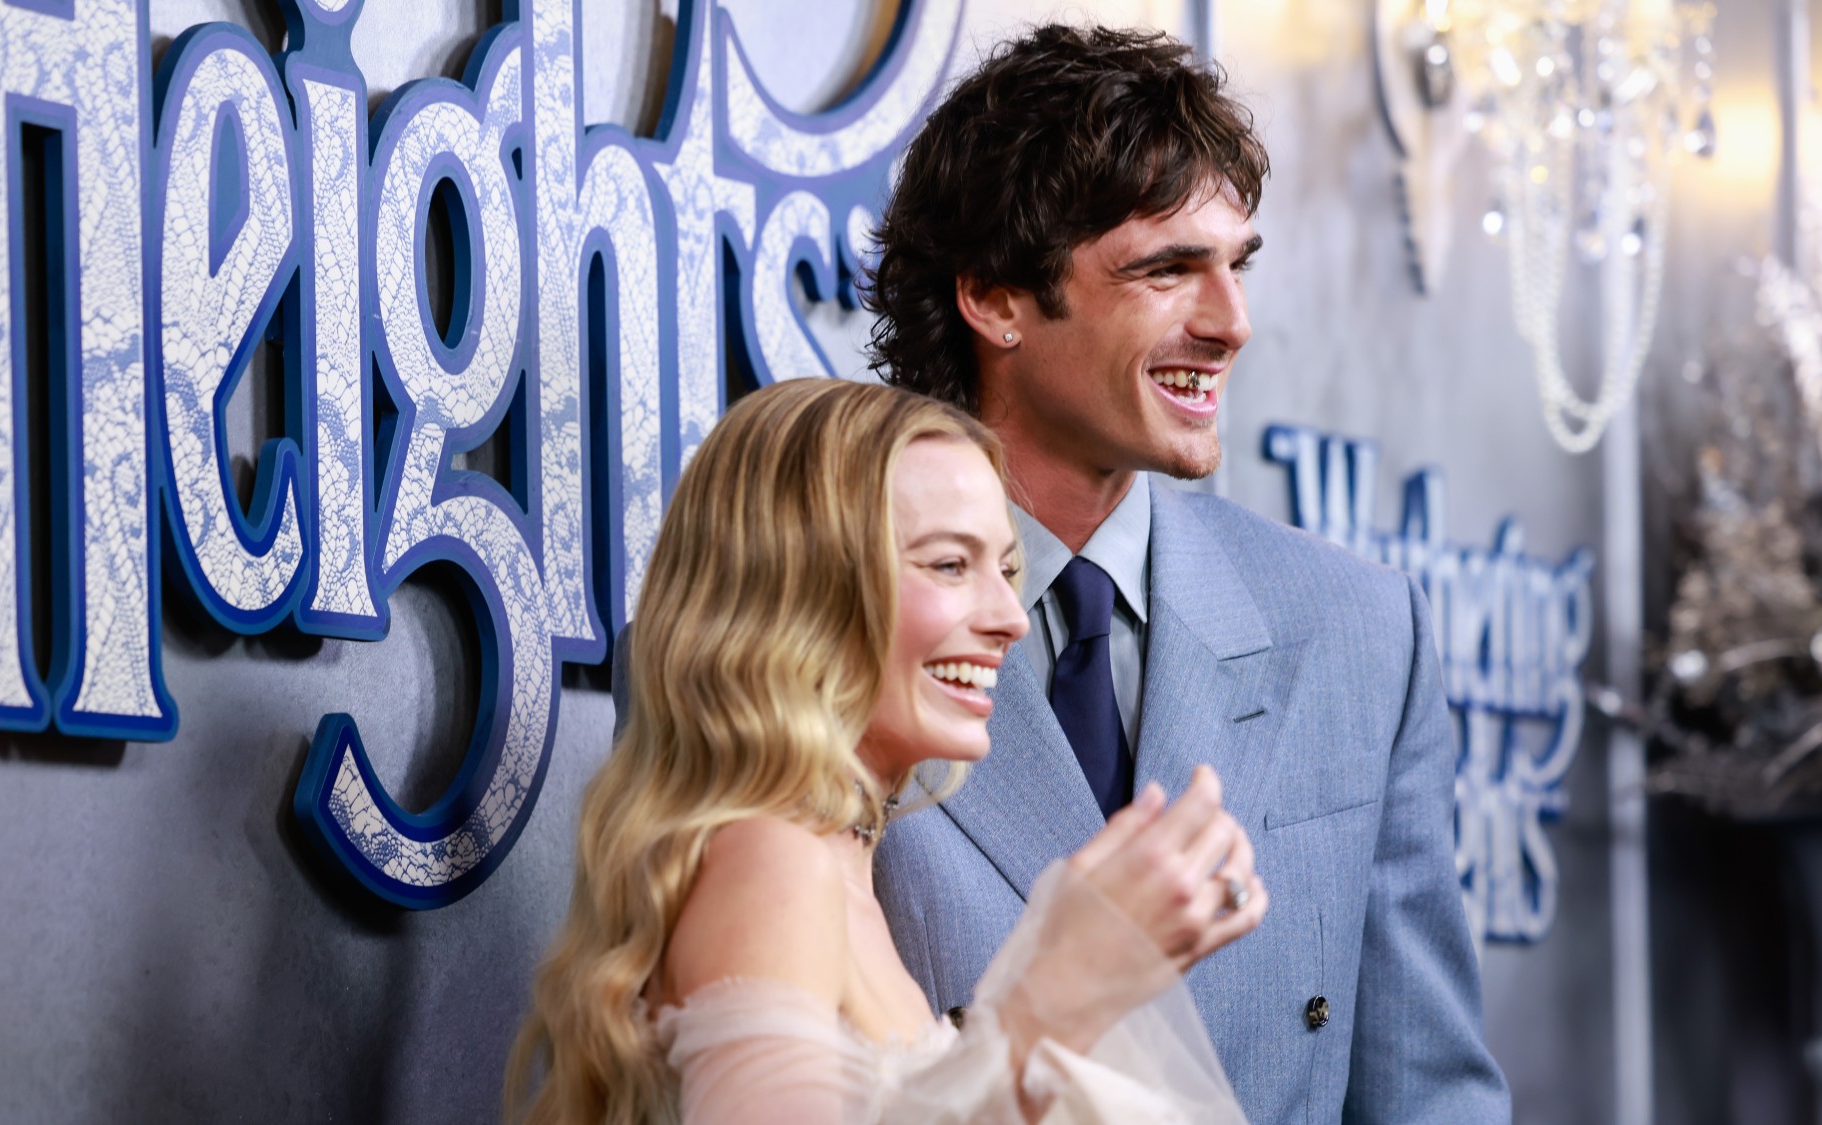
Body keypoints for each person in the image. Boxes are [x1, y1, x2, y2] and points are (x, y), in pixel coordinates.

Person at [863, 25, 1512, 1123]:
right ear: (995, 299)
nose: (1229, 323)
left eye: (1234, 266)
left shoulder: (1357, 628)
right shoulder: (821, 612)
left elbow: (1427, 1095)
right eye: (1165, 271)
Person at [508, 378, 1267, 1123]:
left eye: (1005, 569)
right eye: (948, 564)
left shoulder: (835, 865)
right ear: (801, 592)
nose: (1012, 617)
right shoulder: (775, 862)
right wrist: (1054, 996)